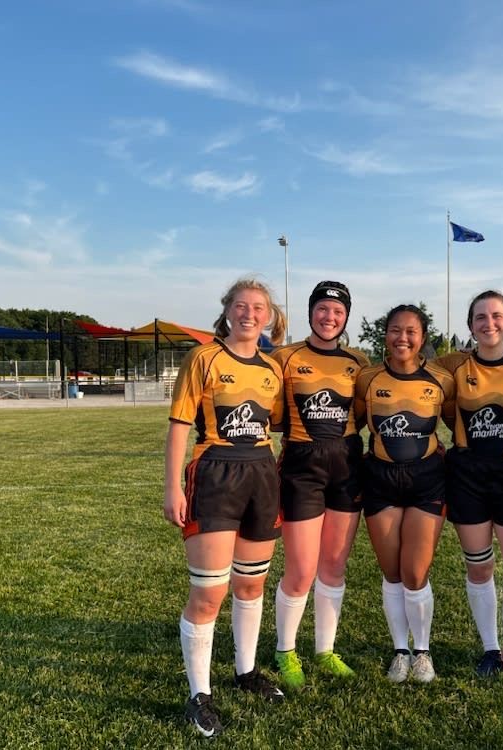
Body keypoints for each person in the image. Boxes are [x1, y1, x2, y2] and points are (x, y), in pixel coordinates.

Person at [163, 278, 288, 738]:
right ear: (227, 311)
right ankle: (199, 693)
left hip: (261, 473)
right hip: (214, 472)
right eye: (241, 305)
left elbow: (279, 425)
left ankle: (246, 671)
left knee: (251, 587)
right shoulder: (204, 358)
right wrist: (173, 486)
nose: (249, 313)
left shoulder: (273, 368)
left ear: (269, 316)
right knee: (209, 593)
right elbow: (179, 425)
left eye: (258, 307)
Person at [435, 291, 503, 684]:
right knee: (479, 568)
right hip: (466, 475)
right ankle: (490, 650)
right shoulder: (452, 364)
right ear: (470, 325)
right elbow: (415, 373)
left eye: (497, 316)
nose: (489, 323)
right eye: (480, 317)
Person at [269, 281, 370, 690]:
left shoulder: (357, 361)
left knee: (333, 565)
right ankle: (285, 650)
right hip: (301, 467)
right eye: (323, 309)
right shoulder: (285, 357)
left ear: (346, 317)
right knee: (302, 568)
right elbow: (273, 415)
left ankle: (325, 650)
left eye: (338, 311)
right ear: (311, 311)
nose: (330, 317)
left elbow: (363, 413)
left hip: (346, 464)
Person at [353, 304, 455, 684]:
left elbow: (456, 423)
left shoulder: (442, 380)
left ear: (422, 337)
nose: (402, 338)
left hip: (427, 478)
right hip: (379, 478)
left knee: (415, 571)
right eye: (395, 330)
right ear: (386, 335)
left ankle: (423, 650)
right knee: (392, 572)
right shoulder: (368, 379)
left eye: (411, 331)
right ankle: (400, 649)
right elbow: (357, 423)